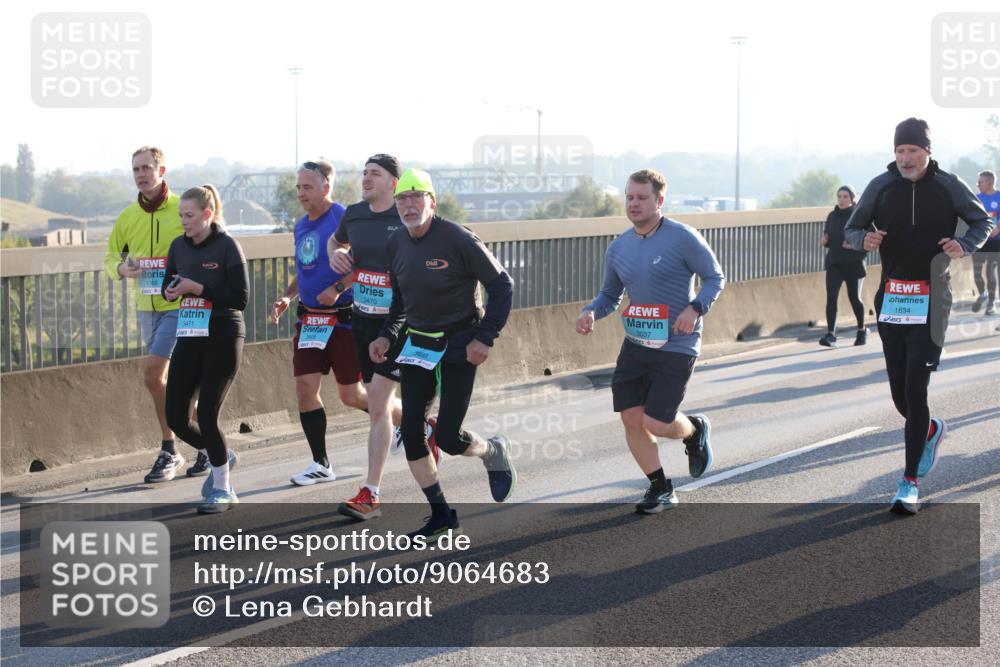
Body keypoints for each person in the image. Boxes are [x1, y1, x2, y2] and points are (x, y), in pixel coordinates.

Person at [844, 118, 993, 515]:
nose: (906, 159)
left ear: (927, 151)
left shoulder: (949, 185)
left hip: (932, 302)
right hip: (892, 300)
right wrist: (865, 239)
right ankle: (929, 429)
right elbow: (851, 229)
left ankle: (908, 482)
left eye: (912, 151)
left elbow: (983, 221)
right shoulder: (881, 186)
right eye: (900, 152)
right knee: (899, 395)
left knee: (915, 389)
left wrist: (963, 243)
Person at [369, 169, 516, 540]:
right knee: (414, 434)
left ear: (431, 201)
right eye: (402, 198)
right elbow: (400, 300)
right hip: (418, 343)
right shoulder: (396, 243)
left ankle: (492, 451)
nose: (408, 204)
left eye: (416, 197)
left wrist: (485, 338)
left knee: (449, 438)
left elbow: (502, 285)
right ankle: (441, 513)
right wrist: (387, 335)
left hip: (460, 342)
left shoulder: (457, 238)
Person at [576, 169, 724, 514]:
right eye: (629, 197)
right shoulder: (619, 247)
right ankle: (660, 487)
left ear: (659, 200)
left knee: (656, 422)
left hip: (677, 343)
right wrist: (591, 312)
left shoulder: (682, 237)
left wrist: (695, 308)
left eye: (642, 198)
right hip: (638, 342)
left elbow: (715, 277)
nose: (634, 204)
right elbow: (610, 295)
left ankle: (693, 430)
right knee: (631, 418)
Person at [328, 155, 439, 521]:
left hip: (399, 323)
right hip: (363, 320)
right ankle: (423, 427)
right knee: (373, 397)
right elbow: (335, 241)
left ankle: (371, 493)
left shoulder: (405, 217)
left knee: (376, 403)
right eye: (363, 173)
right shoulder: (355, 214)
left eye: (374, 174)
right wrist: (337, 255)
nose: (365, 178)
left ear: (394, 183)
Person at [272, 160, 368, 486]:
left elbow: (368, 264)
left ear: (326, 187)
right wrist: (288, 296)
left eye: (307, 187)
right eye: (298, 187)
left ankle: (414, 424)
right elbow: (306, 271)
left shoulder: (342, 216)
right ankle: (321, 463)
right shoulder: (300, 226)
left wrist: (338, 288)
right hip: (310, 320)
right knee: (304, 388)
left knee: (351, 395)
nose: (301, 193)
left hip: (343, 321)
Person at [103, 146, 192, 484]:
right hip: (146, 307)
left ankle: (170, 449)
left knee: (153, 376)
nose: (140, 175)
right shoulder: (128, 216)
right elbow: (111, 257)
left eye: (146, 168)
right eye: (135, 169)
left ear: (162, 170)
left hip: (180, 307)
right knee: (173, 383)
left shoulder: (182, 208)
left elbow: (206, 241)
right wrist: (122, 269)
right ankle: (211, 444)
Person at [162, 186, 248, 513]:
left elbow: (240, 298)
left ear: (207, 214)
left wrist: (197, 287)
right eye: (181, 215)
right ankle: (220, 454)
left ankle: (223, 489)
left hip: (224, 334)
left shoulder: (227, 246)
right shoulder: (178, 246)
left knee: (208, 412)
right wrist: (171, 291)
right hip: (190, 333)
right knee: (176, 417)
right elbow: (167, 285)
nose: (183, 221)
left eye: (189, 215)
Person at [819, 185, 868, 347]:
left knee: (854, 298)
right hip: (834, 263)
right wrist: (825, 241)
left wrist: (855, 245)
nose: (841, 199)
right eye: (839, 196)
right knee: (831, 298)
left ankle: (861, 330)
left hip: (853, 263)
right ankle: (831, 335)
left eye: (845, 196)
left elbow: (870, 238)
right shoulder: (832, 215)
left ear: (852, 199)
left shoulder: (859, 215)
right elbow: (828, 237)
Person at [972, 170, 1000, 316]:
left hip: (996, 241)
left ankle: (991, 302)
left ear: (989, 183)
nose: (978, 184)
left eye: (980, 182)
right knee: (977, 271)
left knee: (991, 272)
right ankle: (982, 294)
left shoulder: (999, 196)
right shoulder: (976, 198)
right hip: (980, 241)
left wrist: (997, 228)